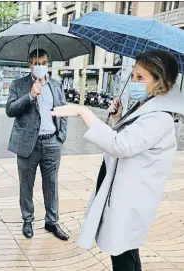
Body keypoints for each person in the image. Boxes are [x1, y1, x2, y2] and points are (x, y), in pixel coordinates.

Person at [51, 50, 184, 271]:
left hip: (131, 198)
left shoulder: (159, 117)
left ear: (160, 81)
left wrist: (83, 112)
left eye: (141, 78)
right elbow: (128, 141)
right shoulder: (147, 107)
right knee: (126, 252)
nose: (134, 82)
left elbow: (119, 146)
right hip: (123, 192)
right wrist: (117, 117)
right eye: (133, 76)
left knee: (123, 255)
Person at [5, 49, 69, 241]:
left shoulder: (56, 86)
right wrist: (30, 95)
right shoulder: (18, 85)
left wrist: (61, 137)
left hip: (51, 142)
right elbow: (10, 110)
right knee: (26, 184)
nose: (40, 66)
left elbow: (63, 111)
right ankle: (28, 219)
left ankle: (52, 221)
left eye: (44, 62)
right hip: (27, 144)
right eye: (36, 62)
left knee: (51, 184)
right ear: (29, 64)